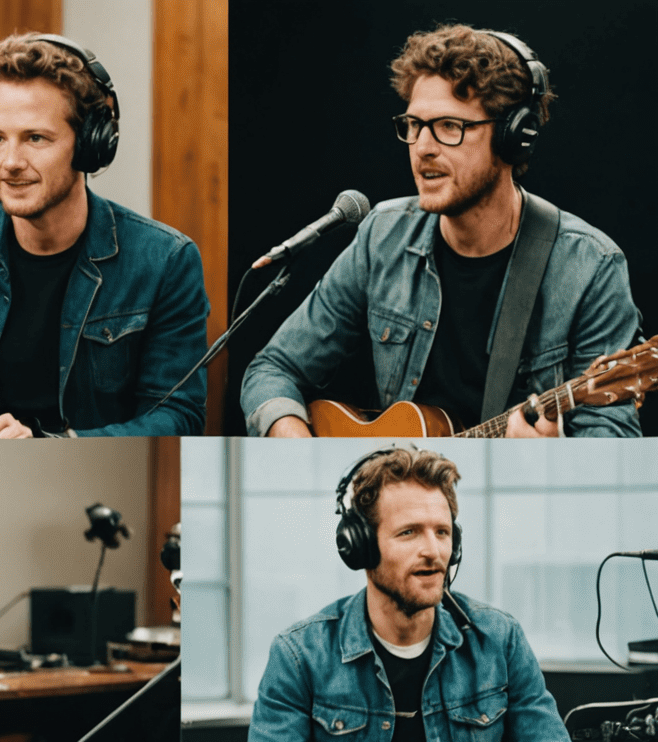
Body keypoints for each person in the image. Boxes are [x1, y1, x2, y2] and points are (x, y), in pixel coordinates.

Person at [241, 26, 642, 439]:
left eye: (449, 126)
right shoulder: (383, 235)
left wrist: (552, 457)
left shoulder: (589, 267)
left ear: (513, 138)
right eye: (414, 125)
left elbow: (613, 438)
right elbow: (272, 370)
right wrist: (298, 451)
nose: (422, 147)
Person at [0, 33, 209, 439]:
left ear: (88, 145)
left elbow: (176, 417)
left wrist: (50, 448)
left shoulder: (165, 261)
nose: (10, 163)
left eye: (36, 138)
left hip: (101, 489)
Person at [237, 448, 590, 742]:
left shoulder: (500, 640)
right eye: (409, 533)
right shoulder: (299, 654)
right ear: (360, 546)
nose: (433, 551)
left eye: (442, 532)